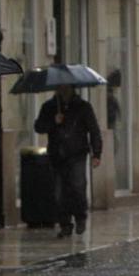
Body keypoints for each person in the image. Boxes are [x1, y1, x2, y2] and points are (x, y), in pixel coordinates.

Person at [35, 85, 102, 236]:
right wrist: (54, 121)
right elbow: (39, 127)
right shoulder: (49, 107)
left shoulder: (83, 107)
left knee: (78, 187)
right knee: (59, 192)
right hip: (57, 155)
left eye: (66, 87)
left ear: (72, 88)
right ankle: (65, 224)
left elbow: (94, 130)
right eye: (60, 87)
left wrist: (96, 153)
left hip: (77, 154)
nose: (63, 90)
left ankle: (80, 217)